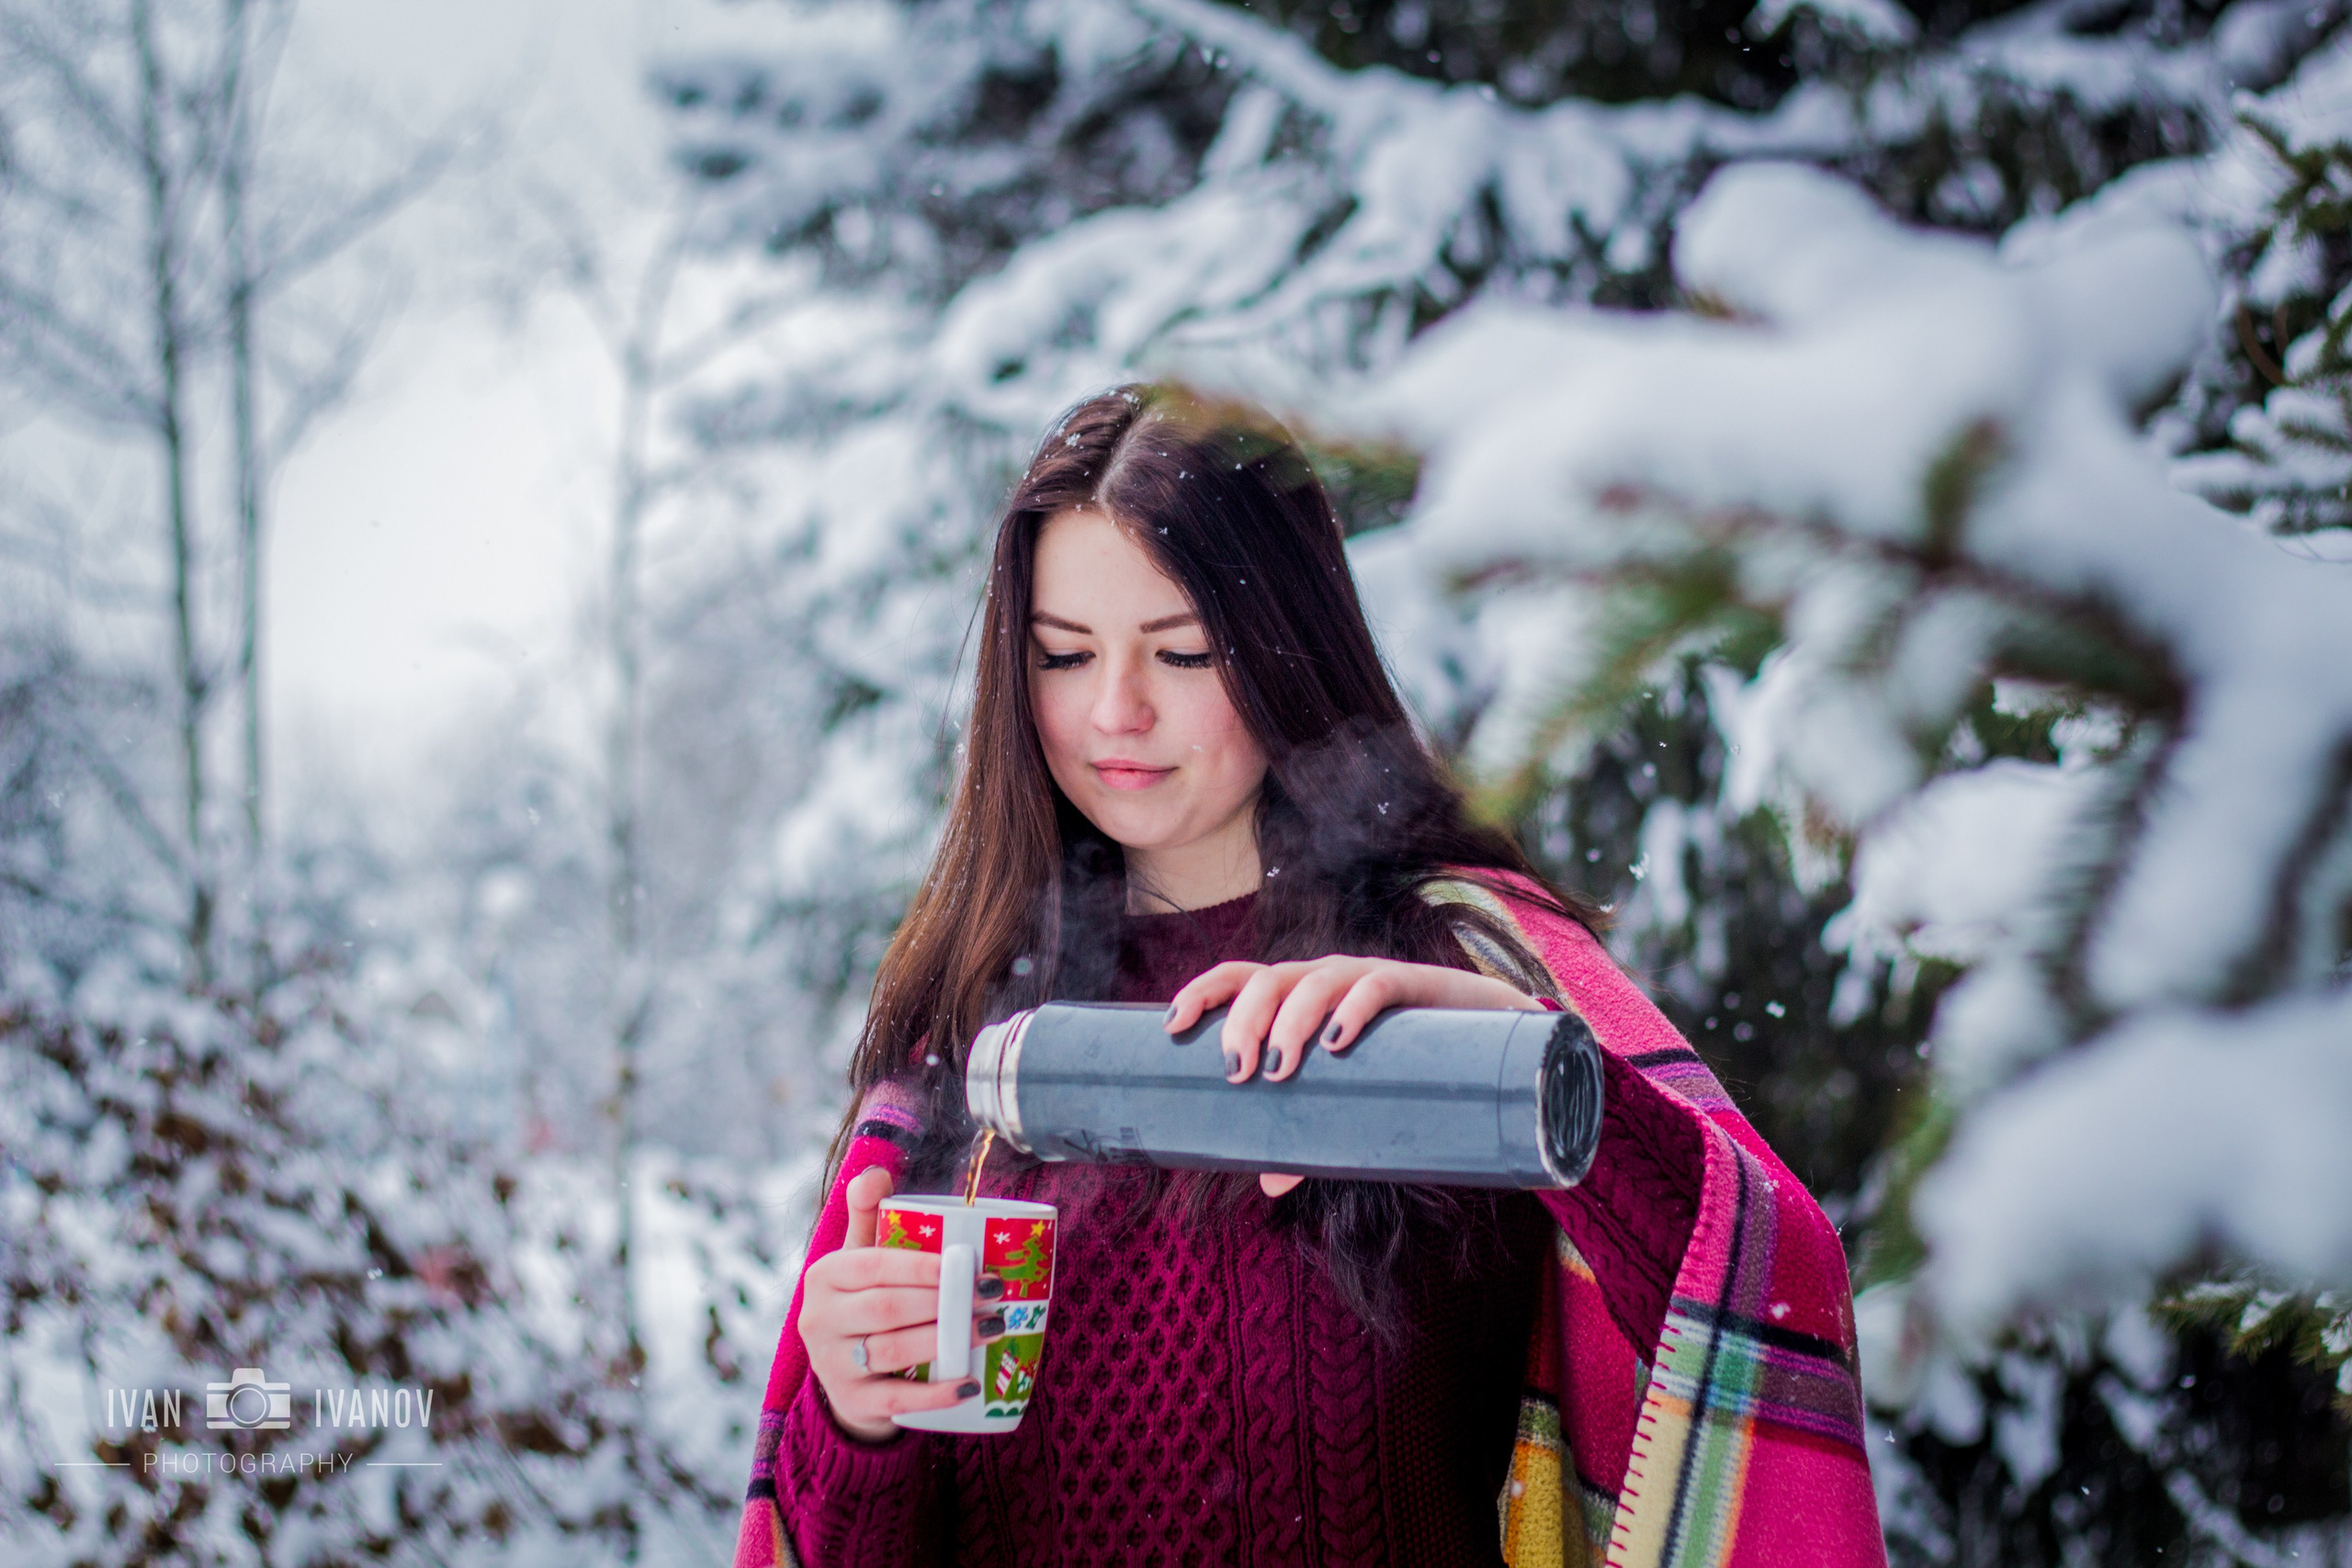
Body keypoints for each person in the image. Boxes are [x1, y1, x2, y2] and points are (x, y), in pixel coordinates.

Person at [733, 385, 1885, 1568]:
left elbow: (1769, 1292)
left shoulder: (1451, 961)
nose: (1114, 711)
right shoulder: (973, 1027)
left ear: (1284, 645)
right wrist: (856, 1415)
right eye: (1064, 656)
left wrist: (1536, 1073)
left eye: (1181, 650)